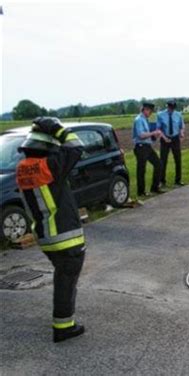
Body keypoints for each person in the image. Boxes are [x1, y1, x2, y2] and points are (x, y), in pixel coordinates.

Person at [16, 117, 86, 343]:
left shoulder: (23, 168)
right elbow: (76, 147)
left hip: (46, 236)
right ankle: (63, 327)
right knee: (66, 280)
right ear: (47, 148)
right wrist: (57, 128)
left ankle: (64, 322)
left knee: (63, 277)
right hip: (65, 236)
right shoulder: (50, 165)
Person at [133, 102, 164, 196]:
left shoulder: (145, 119)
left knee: (158, 164)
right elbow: (141, 135)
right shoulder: (138, 120)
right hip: (141, 147)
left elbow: (148, 135)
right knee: (141, 169)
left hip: (147, 146)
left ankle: (154, 187)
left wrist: (155, 136)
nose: (151, 113)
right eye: (150, 111)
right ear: (145, 109)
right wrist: (153, 133)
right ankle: (141, 192)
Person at [157, 100, 185, 187]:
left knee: (178, 159)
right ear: (167, 106)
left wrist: (181, 133)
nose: (171, 110)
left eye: (173, 108)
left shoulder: (178, 115)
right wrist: (164, 138)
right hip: (165, 138)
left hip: (175, 138)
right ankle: (162, 181)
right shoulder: (160, 115)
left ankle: (178, 180)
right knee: (163, 160)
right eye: (170, 108)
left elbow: (181, 126)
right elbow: (158, 129)